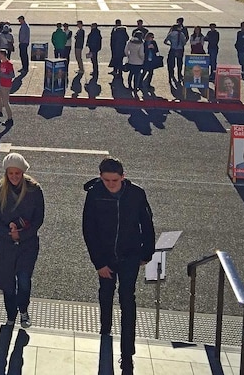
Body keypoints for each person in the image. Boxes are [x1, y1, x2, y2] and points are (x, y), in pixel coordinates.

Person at [82, 157, 155, 374]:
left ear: (123, 177)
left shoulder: (136, 194)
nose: (111, 184)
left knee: (127, 301)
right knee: (106, 293)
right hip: (105, 257)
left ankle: (127, 354)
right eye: (106, 180)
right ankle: (105, 328)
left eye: (114, 180)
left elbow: (147, 224)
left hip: (130, 256)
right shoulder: (95, 194)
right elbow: (89, 230)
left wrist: (146, 253)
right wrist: (99, 263)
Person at [0, 153, 44, 328]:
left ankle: (23, 310)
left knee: (24, 280)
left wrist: (21, 235)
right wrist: (8, 233)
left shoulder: (34, 190)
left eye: (17, 173)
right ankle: (11, 315)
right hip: (5, 244)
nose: (14, 177)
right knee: (8, 283)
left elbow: (38, 219)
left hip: (27, 245)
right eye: (10, 173)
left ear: (23, 172)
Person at [0, 49, 14, 125]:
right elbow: (1, 72)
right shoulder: (2, 63)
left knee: (5, 102)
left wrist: (2, 75)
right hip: (1, 84)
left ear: (3, 55)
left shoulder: (9, 64)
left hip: (6, 86)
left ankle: (10, 118)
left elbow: (12, 75)